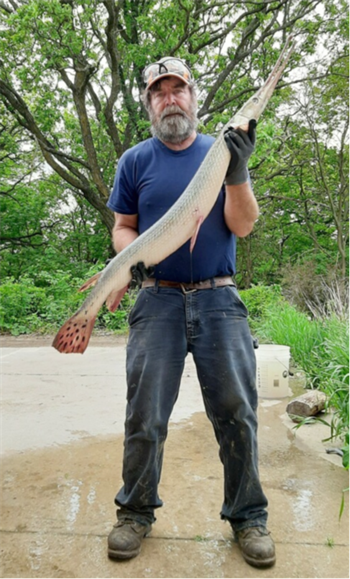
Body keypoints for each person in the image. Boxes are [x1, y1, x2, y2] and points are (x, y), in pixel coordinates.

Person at [106, 57, 276, 569]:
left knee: (237, 415)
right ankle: (134, 513)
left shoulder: (222, 153)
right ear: (149, 104)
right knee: (145, 415)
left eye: (178, 88)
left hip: (219, 299)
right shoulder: (135, 160)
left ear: (194, 97)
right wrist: (131, 257)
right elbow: (122, 226)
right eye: (159, 92)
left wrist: (238, 170)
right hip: (155, 297)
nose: (170, 98)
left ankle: (248, 517)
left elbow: (243, 226)